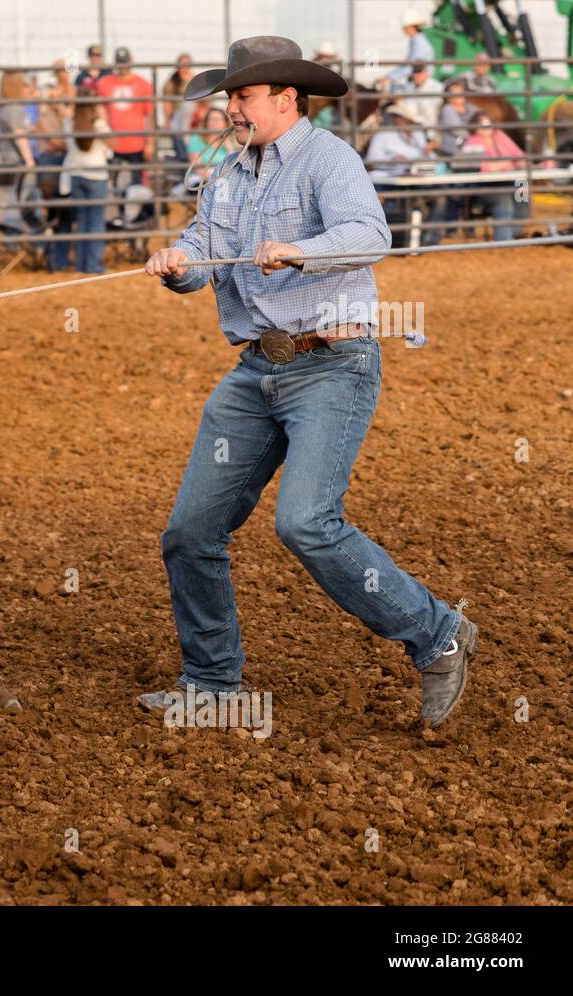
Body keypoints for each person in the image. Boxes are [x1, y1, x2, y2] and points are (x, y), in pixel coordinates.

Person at [143, 36, 477, 729]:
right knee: (190, 530)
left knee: (305, 522)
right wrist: (180, 264)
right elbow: (207, 254)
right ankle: (212, 681)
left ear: (286, 98)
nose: (231, 108)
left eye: (242, 95)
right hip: (257, 370)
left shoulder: (330, 159)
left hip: (332, 363)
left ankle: (437, 632)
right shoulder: (228, 175)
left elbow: (368, 234)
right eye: (229, 96)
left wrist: (300, 251)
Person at [365, 101, 443, 246]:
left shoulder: (418, 135)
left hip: (416, 180)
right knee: (414, 201)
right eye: (404, 119)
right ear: (397, 119)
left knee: (439, 198)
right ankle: (407, 240)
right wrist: (392, 159)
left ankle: (428, 240)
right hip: (389, 180)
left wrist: (428, 152)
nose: (407, 123)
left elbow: (432, 159)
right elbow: (372, 159)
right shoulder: (384, 135)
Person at [51, 96, 114, 273]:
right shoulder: (99, 125)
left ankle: (81, 265)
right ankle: (93, 264)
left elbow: (66, 145)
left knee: (81, 222)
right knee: (95, 222)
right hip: (96, 175)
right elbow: (113, 145)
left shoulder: (69, 123)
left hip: (76, 176)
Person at [97, 49, 154, 214]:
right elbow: (101, 111)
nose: (123, 67)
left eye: (125, 62)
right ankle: (118, 217)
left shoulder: (143, 84)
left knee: (136, 186)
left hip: (136, 144)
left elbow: (149, 115)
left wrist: (149, 142)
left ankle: (134, 218)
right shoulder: (104, 83)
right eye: (120, 63)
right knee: (113, 185)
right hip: (113, 145)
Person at [459, 112, 525, 240]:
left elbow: (518, 155)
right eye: (482, 125)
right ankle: (504, 241)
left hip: (507, 179)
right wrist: (508, 163)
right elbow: (484, 167)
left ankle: (515, 232)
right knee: (502, 199)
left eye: (488, 124)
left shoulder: (499, 135)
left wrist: (515, 163)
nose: (486, 128)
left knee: (522, 188)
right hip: (484, 185)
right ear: (475, 127)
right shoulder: (472, 142)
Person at [379, 9, 436, 88]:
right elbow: (408, 65)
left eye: (405, 27)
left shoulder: (419, 44)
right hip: (417, 82)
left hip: (421, 84)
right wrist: (389, 76)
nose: (403, 30)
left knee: (396, 92)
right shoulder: (415, 41)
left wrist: (389, 77)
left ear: (412, 27)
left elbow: (412, 67)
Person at [183, 106, 232, 188]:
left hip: (223, 179)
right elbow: (197, 168)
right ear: (206, 122)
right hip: (201, 179)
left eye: (219, 120)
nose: (215, 123)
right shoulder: (197, 139)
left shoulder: (230, 140)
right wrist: (215, 180)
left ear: (225, 123)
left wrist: (228, 147)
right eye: (212, 119)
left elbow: (233, 164)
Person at [162, 53, 195, 158]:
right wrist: (167, 121)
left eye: (187, 64)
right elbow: (167, 103)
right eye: (182, 64)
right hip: (179, 119)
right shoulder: (172, 82)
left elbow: (204, 101)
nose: (184, 67)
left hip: (194, 119)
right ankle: (184, 159)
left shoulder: (196, 80)